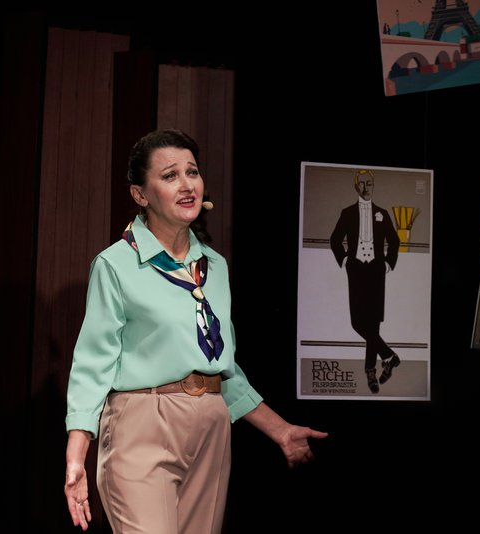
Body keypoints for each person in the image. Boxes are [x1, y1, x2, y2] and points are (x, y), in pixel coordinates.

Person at [63, 129, 328, 533]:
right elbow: (92, 364)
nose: (187, 184)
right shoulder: (116, 265)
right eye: (170, 176)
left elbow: (222, 367)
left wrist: (281, 431)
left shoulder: (214, 267)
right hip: (143, 422)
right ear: (140, 194)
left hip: (211, 426)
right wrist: (76, 456)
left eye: (192, 172)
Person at [329, 169, 401, 394]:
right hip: (356, 270)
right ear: (356, 186)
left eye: (369, 183)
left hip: (376, 272)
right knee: (357, 322)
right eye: (362, 183)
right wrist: (345, 260)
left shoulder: (382, 213)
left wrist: (387, 264)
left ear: (373, 185)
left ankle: (371, 370)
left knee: (373, 323)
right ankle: (389, 356)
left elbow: (394, 241)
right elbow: (335, 239)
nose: (366, 187)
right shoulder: (347, 213)